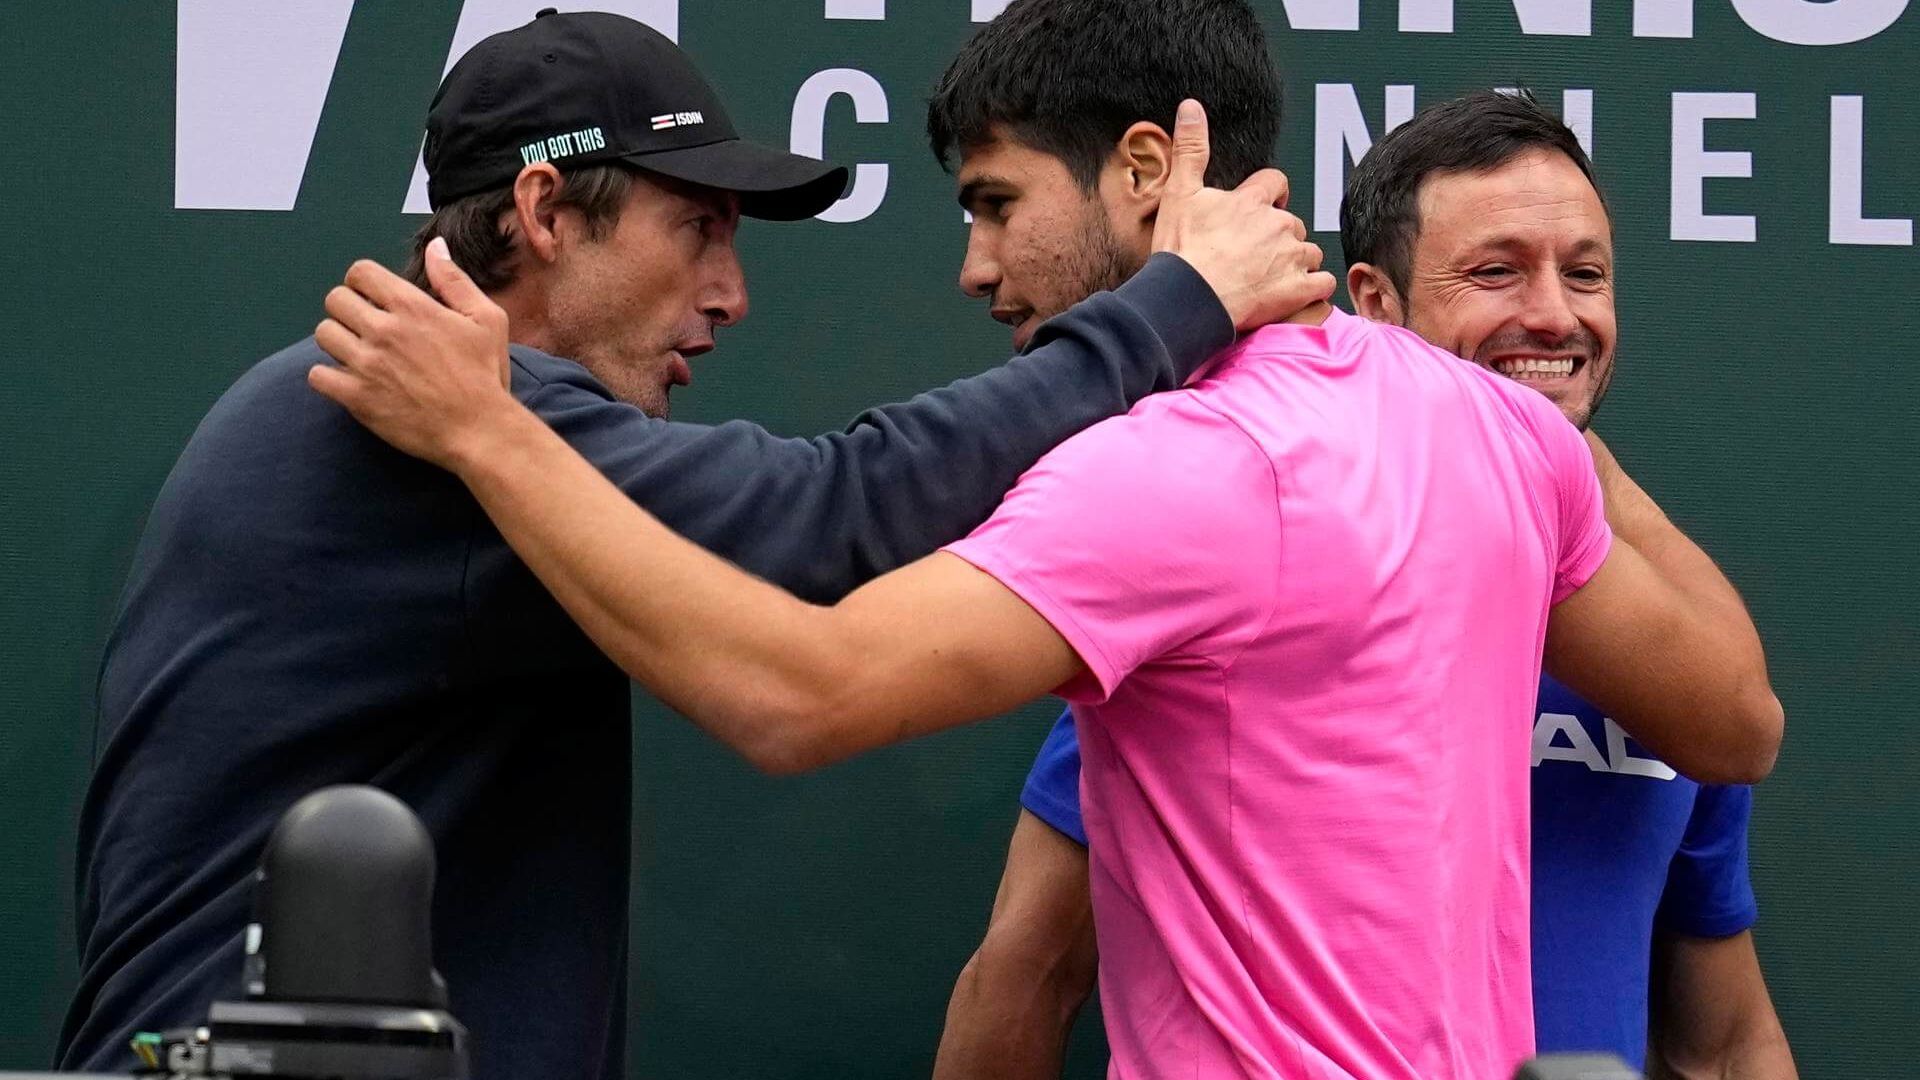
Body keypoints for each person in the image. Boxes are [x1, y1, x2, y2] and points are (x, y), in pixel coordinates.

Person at [308, 3, 1781, 1075]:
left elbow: (796, 694)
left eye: (997, 205)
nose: (977, 265)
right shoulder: (1503, 439)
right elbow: (1737, 715)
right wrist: (1533, 428)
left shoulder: (1172, 471)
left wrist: (489, 431)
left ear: (1146, 172)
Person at [61, 11, 1328, 1080]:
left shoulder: (442, 418)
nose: (733, 293)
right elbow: (833, 516)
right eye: (700, 231)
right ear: (548, 211)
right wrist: (1179, 304)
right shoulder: (420, 422)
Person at [934, 89, 1798, 1080]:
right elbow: (1026, 978)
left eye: (1586, 274)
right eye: (1496, 272)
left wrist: (1556, 458)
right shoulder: (1234, 602)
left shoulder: (1665, 662)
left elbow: (1726, 1040)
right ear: (1375, 304)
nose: (1554, 312)